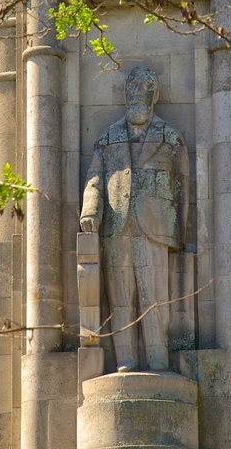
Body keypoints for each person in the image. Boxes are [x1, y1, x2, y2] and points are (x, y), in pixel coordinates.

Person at [80, 65, 189, 372]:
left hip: (155, 228)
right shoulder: (108, 137)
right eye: (132, 89)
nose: (137, 94)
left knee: (154, 296)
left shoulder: (170, 136)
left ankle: (158, 359)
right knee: (120, 298)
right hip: (116, 227)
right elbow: (94, 179)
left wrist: (179, 231)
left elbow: (183, 186)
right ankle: (125, 359)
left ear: (155, 96)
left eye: (144, 89)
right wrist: (90, 210)